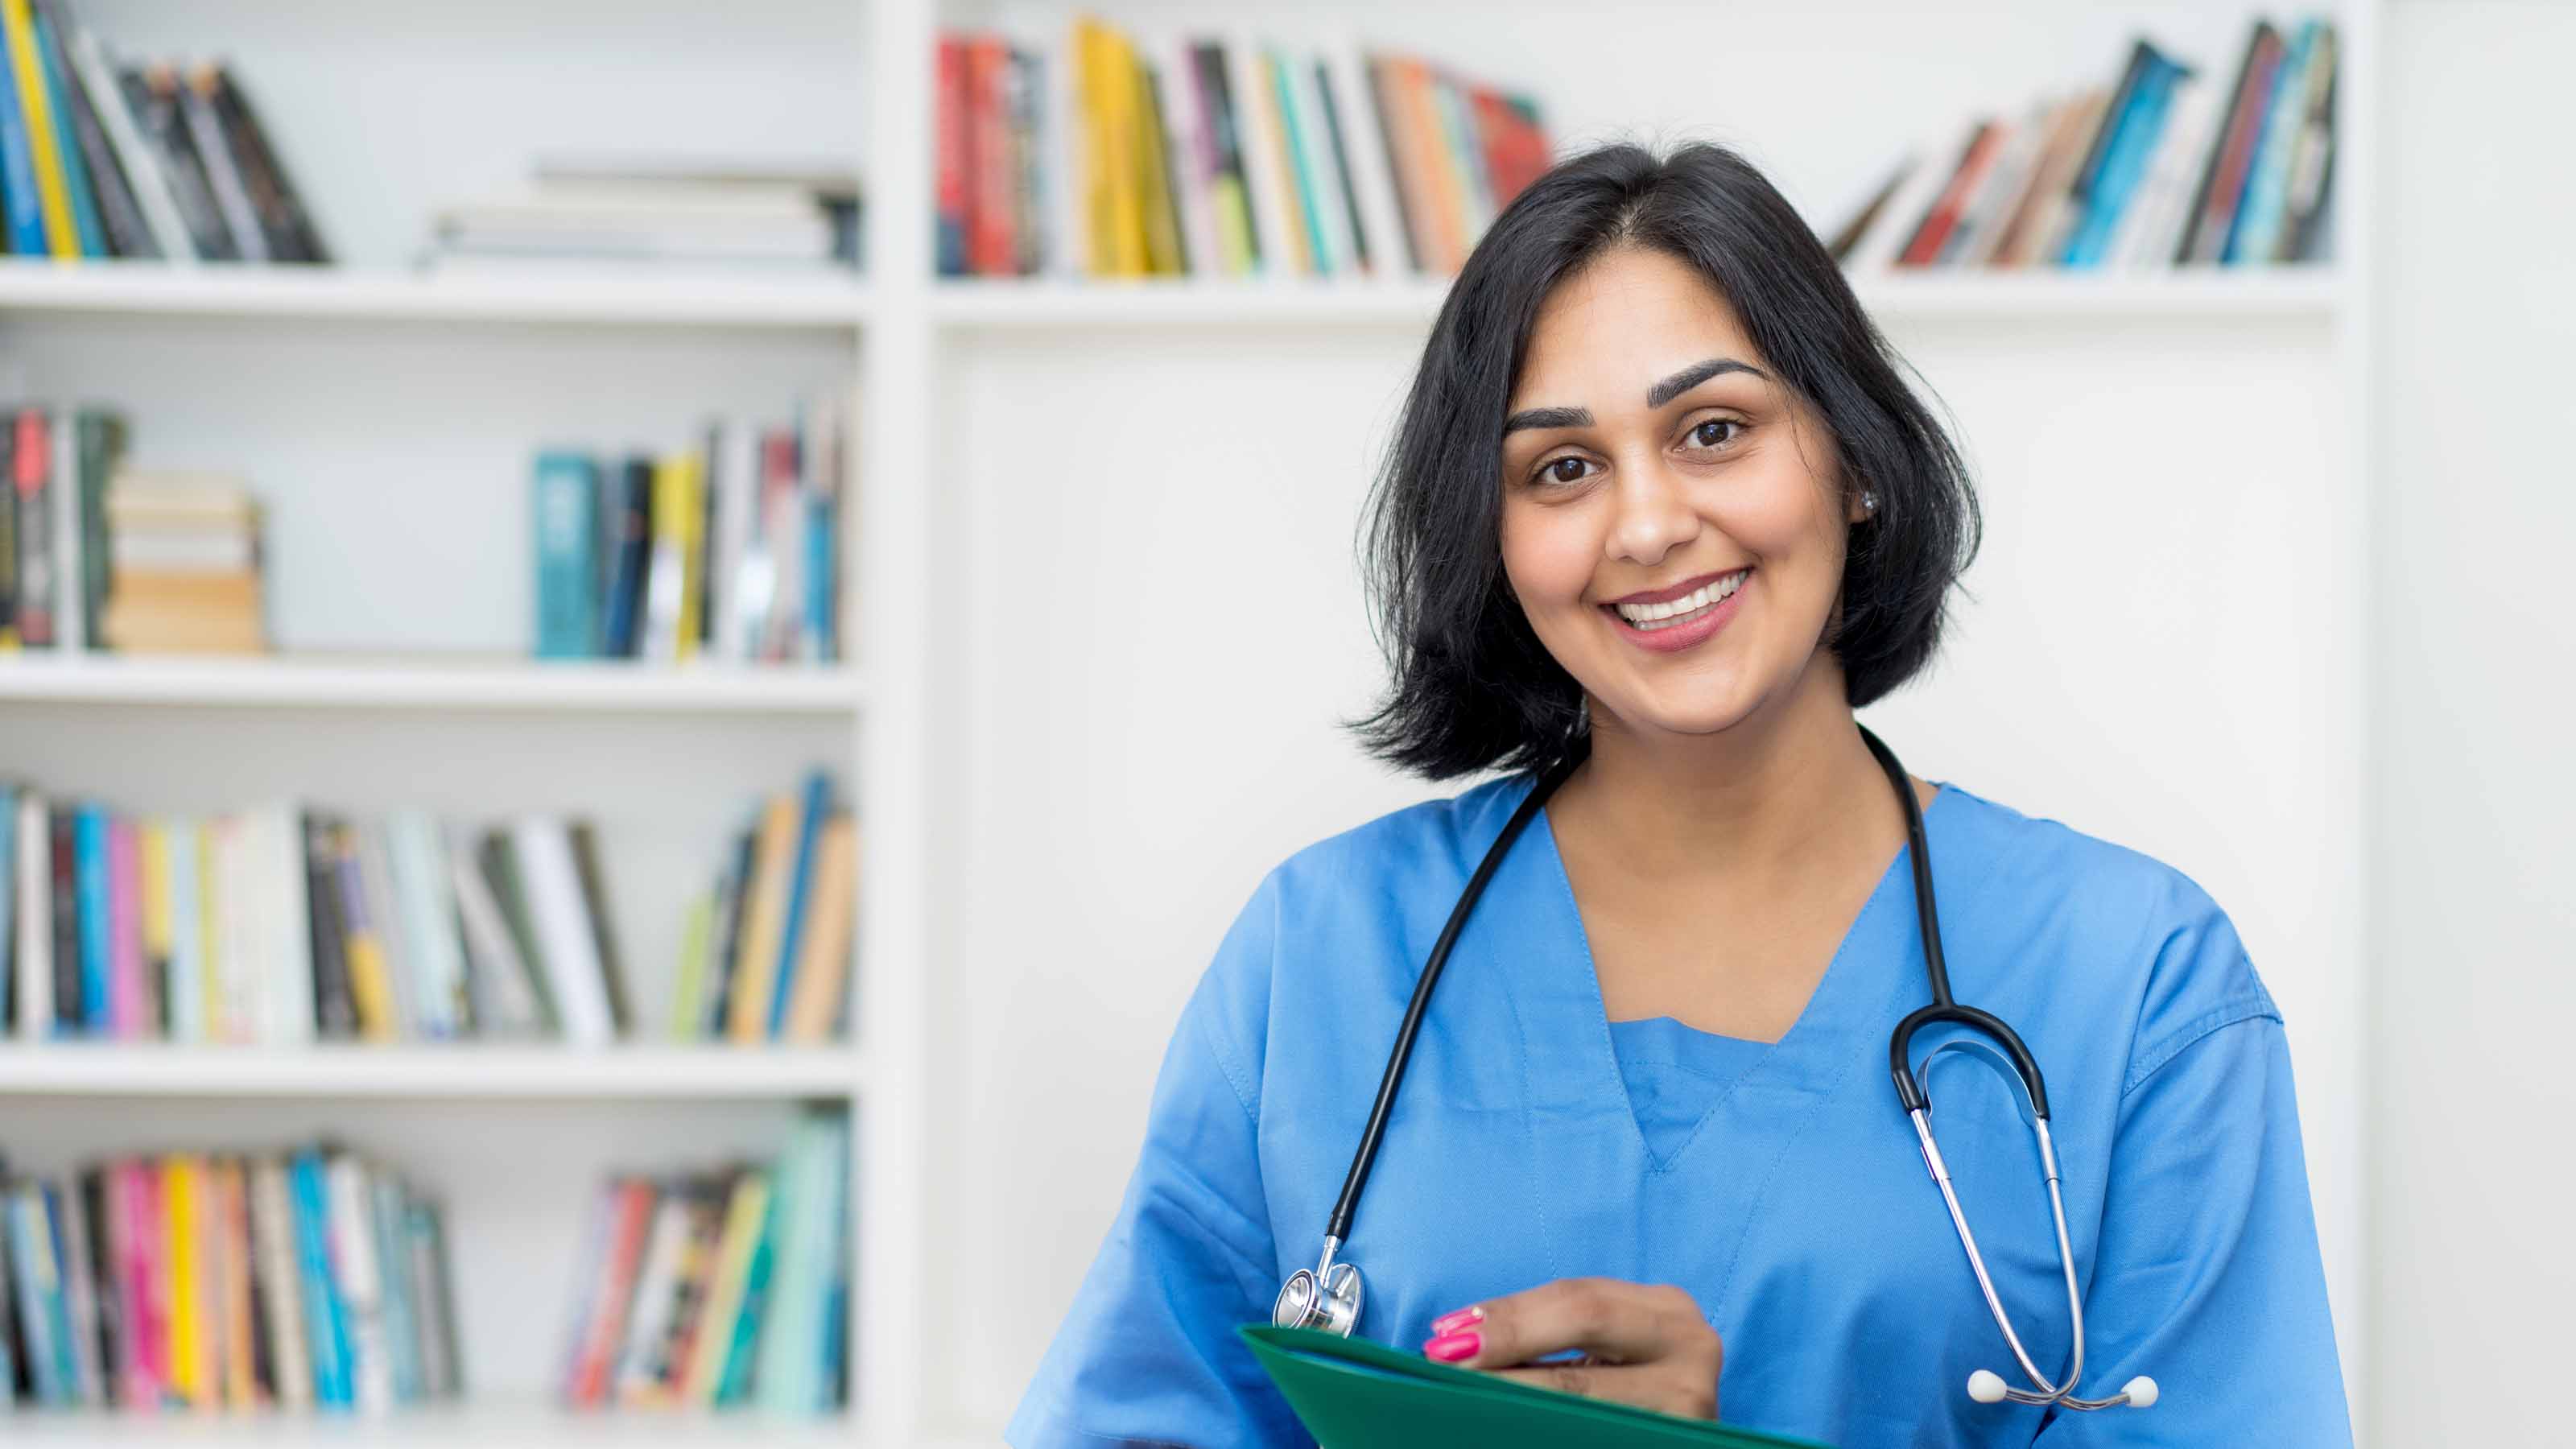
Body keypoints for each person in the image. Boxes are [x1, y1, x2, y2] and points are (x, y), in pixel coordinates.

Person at [1005, 141, 2351, 1447]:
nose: (1646, 526)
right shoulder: (1321, 958)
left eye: (1714, 431)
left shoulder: (2137, 987)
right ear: (1497, 540)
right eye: (1563, 469)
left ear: (1856, 460)